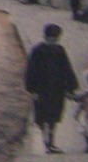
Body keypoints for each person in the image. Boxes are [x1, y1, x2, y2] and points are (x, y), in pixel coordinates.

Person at [24, 22, 79, 153]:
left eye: (55, 38)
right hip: (42, 89)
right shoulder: (38, 51)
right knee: (42, 117)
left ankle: (51, 142)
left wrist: (70, 88)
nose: (53, 41)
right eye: (51, 38)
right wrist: (32, 89)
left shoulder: (60, 51)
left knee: (54, 116)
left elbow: (66, 69)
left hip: (57, 89)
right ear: (45, 37)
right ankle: (46, 142)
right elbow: (31, 71)